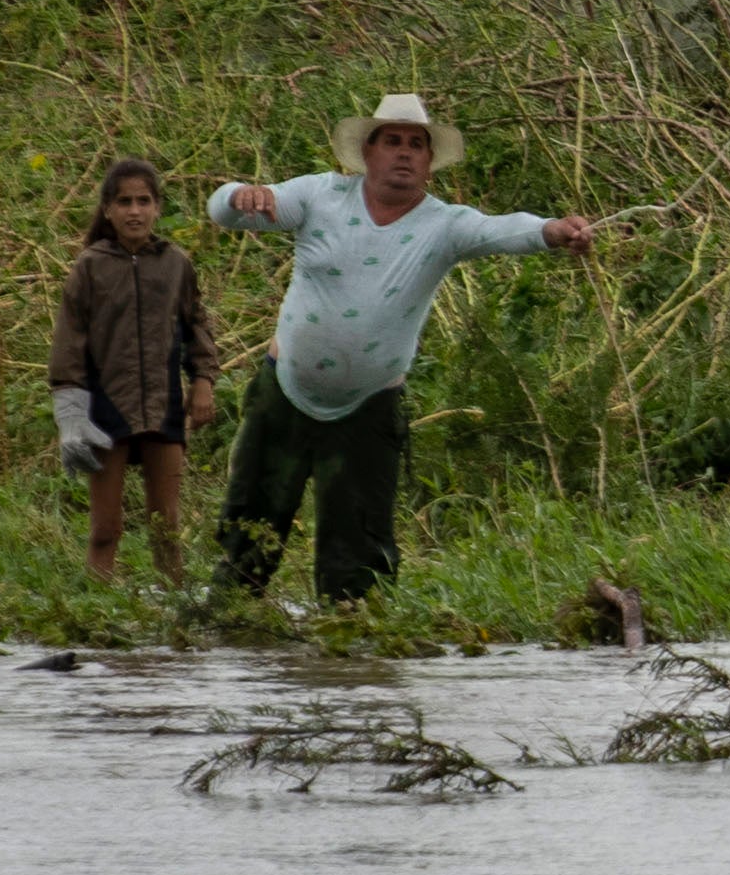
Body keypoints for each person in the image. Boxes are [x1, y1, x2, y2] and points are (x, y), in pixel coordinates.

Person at [206, 93, 594, 607]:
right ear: (367, 152)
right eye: (392, 141)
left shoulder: (444, 225)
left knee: (358, 549)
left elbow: (502, 229)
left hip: (368, 408)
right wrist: (238, 195)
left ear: (429, 162)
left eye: (417, 144)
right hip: (284, 393)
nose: (405, 152)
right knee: (250, 528)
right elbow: (227, 212)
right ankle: (228, 623)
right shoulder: (319, 195)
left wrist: (553, 231)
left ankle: (352, 634)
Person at [48, 157, 222, 585]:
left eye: (144, 201)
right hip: (106, 407)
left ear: (157, 207)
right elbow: (69, 343)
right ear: (108, 209)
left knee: (166, 529)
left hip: (163, 405)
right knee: (105, 530)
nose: (134, 211)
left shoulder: (175, 264)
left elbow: (196, 323)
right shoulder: (90, 266)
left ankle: (174, 608)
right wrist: (70, 415)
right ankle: (94, 606)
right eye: (124, 202)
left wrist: (203, 381)